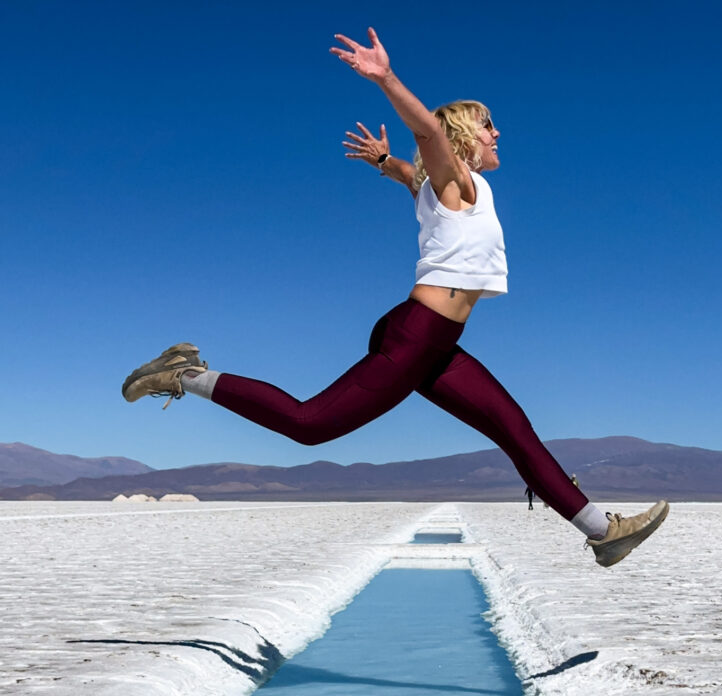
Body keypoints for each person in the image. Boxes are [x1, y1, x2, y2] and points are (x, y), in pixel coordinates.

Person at [122, 27, 668, 568]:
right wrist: (386, 78)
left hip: (436, 342)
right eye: (488, 126)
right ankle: (182, 374)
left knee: (513, 428)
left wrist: (384, 163)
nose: (498, 134)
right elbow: (429, 133)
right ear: (462, 139)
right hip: (416, 335)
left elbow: (413, 171)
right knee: (309, 424)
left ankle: (603, 532)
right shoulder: (457, 180)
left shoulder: (438, 187)